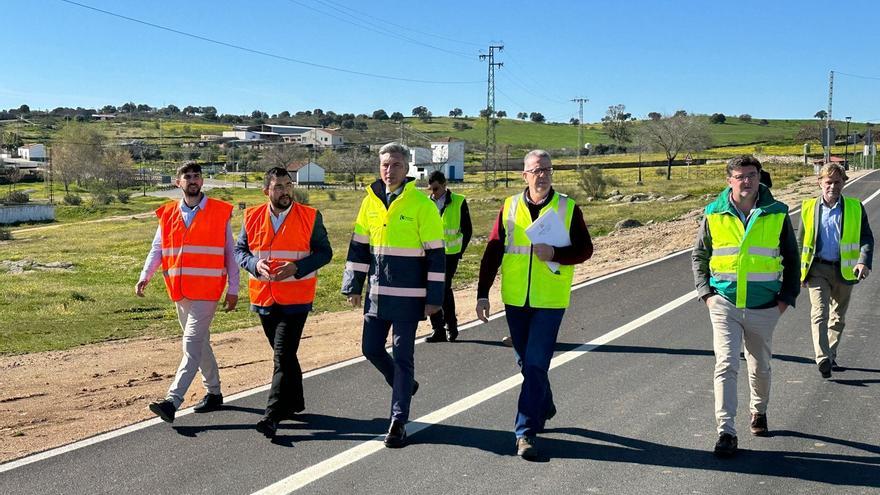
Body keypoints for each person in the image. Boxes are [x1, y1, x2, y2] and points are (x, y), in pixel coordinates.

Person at [475, 149, 592, 460]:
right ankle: (544, 402)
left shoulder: (567, 207)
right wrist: (482, 293)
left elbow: (585, 249)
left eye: (547, 170)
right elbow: (493, 252)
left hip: (550, 300)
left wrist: (555, 254)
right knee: (528, 364)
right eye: (536, 170)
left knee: (537, 362)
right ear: (524, 175)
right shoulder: (510, 207)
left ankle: (524, 432)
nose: (542, 175)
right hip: (515, 299)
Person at [692, 155, 799, 458]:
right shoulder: (713, 213)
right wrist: (706, 294)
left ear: (759, 177)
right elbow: (699, 255)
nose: (746, 181)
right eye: (740, 176)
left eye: (751, 175)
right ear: (729, 180)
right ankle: (726, 431)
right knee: (726, 363)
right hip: (724, 303)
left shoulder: (776, 212)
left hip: (765, 306)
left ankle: (759, 411)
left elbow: (792, 259)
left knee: (760, 366)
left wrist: (784, 300)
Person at [341, 142, 445, 448]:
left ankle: (398, 420)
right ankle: (405, 385)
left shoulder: (422, 205)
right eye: (385, 165)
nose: (390, 170)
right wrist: (353, 285)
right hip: (376, 295)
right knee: (370, 349)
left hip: (409, 298)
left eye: (396, 165)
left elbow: (436, 257)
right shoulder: (369, 202)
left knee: (403, 357)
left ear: (407, 168)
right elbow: (359, 246)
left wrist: (434, 298)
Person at [136, 162, 238, 423]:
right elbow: (157, 248)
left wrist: (234, 289)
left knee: (191, 344)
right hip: (180, 291)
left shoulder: (219, 212)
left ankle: (172, 401)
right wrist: (144, 276)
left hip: (207, 291)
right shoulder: (168, 213)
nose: (192, 180)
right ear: (178, 182)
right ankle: (214, 393)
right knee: (200, 344)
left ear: (202, 181)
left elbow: (230, 253)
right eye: (187, 177)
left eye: (196, 176)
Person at [234, 167, 333, 439]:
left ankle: (272, 415)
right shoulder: (251, 216)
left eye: (288, 185)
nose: (285, 191)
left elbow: (325, 253)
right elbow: (239, 251)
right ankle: (296, 400)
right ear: (267, 190)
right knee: (286, 356)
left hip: (296, 299)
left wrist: (297, 267)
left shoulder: (310, 216)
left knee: (281, 355)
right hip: (264, 298)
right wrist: (255, 264)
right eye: (279, 186)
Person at [798, 163, 873, 379]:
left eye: (837, 182)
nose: (832, 186)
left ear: (844, 182)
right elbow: (799, 241)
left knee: (838, 317)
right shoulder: (808, 207)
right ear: (819, 182)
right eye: (828, 182)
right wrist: (797, 272)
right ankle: (822, 357)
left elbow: (866, 237)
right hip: (817, 268)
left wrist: (863, 261)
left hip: (846, 269)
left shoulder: (855, 207)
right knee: (819, 313)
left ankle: (830, 354)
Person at [425, 170, 472, 343]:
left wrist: (459, 252)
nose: (433, 193)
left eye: (436, 189)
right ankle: (438, 330)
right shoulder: (426, 203)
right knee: (431, 290)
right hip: (429, 254)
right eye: (430, 189)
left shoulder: (458, 201)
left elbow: (467, 230)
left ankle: (451, 327)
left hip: (449, 255)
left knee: (443, 289)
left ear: (445, 185)